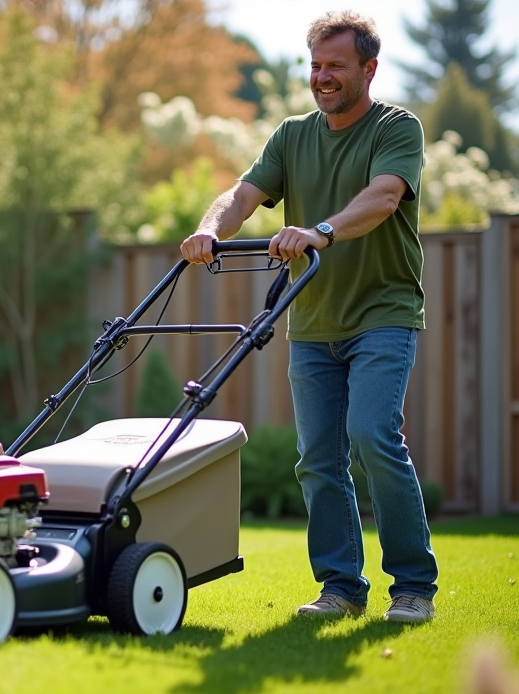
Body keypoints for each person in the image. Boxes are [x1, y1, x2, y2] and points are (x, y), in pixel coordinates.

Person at [179, 10, 437, 623]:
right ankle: (341, 587)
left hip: (383, 312)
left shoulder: (396, 128)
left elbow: (383, 197)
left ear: (369, 69)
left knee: (373, 436)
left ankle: (413, 588)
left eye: (335, 66)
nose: (321, 77)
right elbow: (242, 194)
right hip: (313, 320)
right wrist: (208, 229)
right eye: (315, 65)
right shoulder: (291, 135)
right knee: (317, 458)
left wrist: (320, 229)